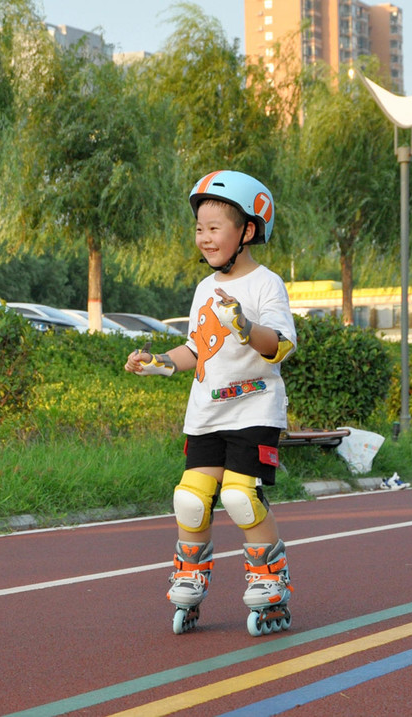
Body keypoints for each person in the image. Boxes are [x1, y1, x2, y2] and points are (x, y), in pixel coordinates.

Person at [123, 170, 297, 635]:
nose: (204, 237)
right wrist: (158, 362)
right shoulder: (204, 289)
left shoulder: (266, 284)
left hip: (254, 409)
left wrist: (245, 326)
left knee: (241, 497)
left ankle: (269, 582)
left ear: (248, 231)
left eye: (215, 226)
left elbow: (280, 345)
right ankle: (191, 575)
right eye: (199, 227)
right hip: (205, 413)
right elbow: (197, 349)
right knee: (190, 500)